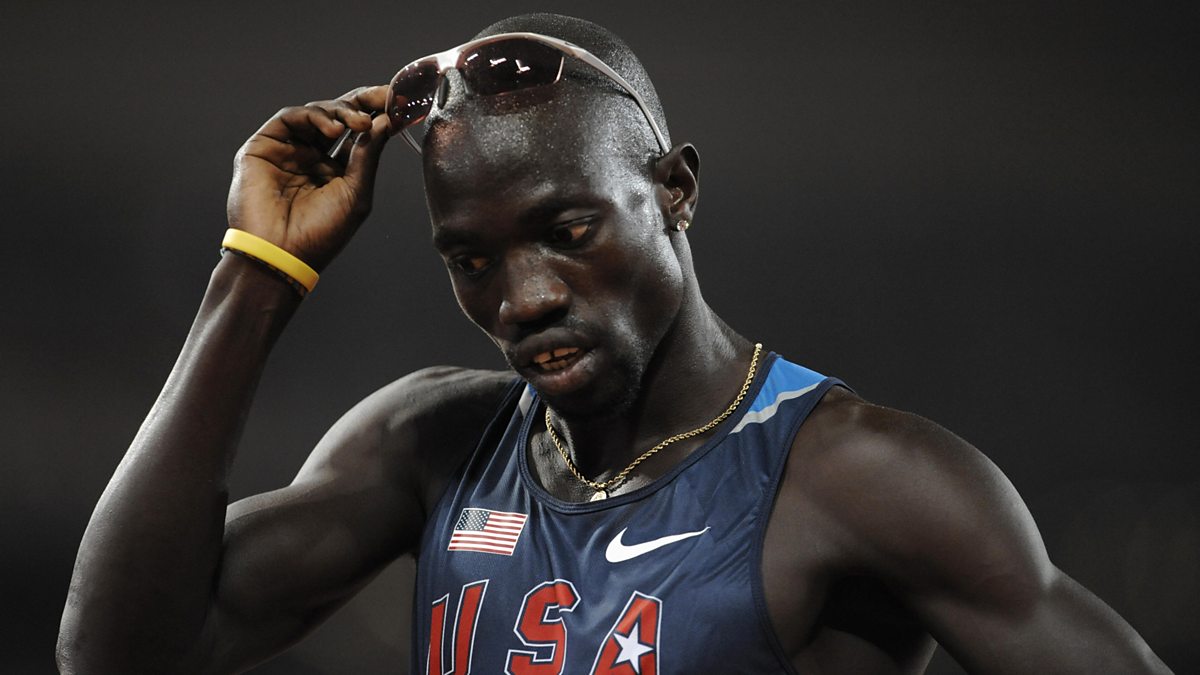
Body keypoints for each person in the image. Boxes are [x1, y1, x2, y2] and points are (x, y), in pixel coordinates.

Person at [58, 13, 1171, 675]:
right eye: (472, 258)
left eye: (568, 231)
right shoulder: (427, 443)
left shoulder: (862, 479)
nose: (524, 297)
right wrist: (258, 274)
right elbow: (114, 653)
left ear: (674, 190)